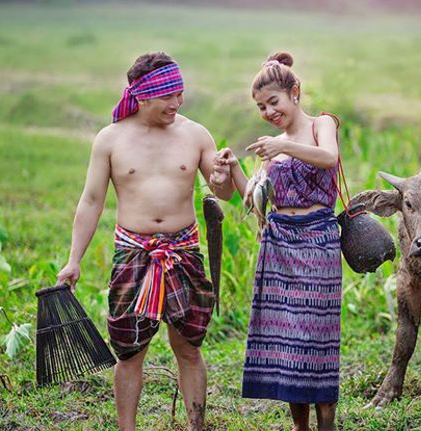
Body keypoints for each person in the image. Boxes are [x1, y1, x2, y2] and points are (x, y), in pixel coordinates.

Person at [56, 52, 235, 431]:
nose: (177, 103)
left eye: (180, 94)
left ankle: (196, 426)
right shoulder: (111, 139)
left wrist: (222, 175)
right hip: (133, 255)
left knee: (189, 348)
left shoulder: (195, 134)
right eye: (168, 96)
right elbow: (91, 201)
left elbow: (223, 193)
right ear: (143, 96)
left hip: (183, 252)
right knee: (129, 351)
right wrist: (74, 259)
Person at [216, 52, 342, 431]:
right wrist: (236, 170)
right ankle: (300, 427)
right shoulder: (273, 146)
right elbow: (255, 201)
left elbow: (329, 159)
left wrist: (283, 146)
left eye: (274, 102)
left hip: (317, 242)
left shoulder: (322, 124)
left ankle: (327, 425)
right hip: (278, 247)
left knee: (315, 341)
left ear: (295, 92)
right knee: (287, 344)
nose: (268, 112)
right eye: (260, 107)